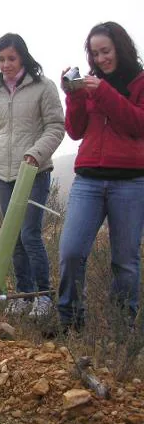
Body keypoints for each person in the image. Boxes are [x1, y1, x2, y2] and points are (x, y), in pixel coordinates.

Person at [58, 22, 144, 333]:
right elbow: (76, 130)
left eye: (105, 51)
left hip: (131, 181)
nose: (101, 59)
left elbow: (138, 125)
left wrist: (103, 92)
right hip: (89, 179)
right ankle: (69, 321)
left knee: (125, 261)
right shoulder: (91, 84)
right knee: (70, 251)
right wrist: (74, 95)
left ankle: (122, 329)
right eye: (95, 54)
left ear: (120, 48)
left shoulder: (139, 81)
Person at [0, 33, 65, 318]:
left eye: (11, 58)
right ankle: (23, 295)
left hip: (34, 173)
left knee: (29, 234)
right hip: (2, 174)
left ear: (23, 57)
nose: (6, 64)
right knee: (11, 237)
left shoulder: (43, 87)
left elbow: (56, 127)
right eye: (1, 59)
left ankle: (43, 295)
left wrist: (35, 154)